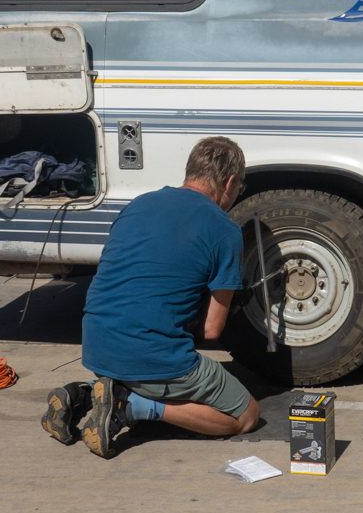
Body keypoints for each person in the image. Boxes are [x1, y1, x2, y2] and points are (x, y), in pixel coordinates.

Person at [41, 136, 261, 458]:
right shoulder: (225, 230)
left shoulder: (138, 204)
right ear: (229, 183)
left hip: (97, 346)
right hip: (150, 357)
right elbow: (211, 331)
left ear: (191, 171)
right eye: (238, 188)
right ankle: (130, 406)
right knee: (246, 417)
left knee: (142, 359)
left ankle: (86, 396)